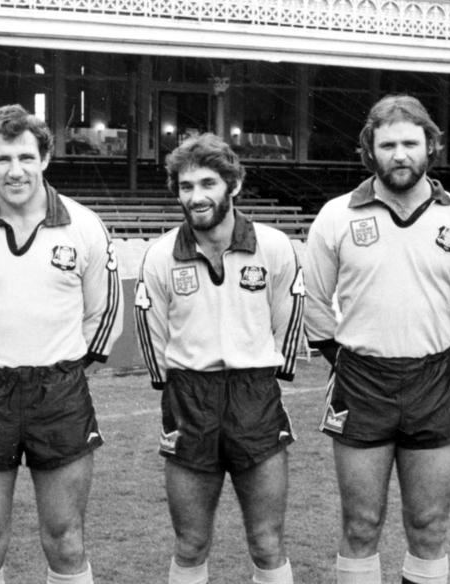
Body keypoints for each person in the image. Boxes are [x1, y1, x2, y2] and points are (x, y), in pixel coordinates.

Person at [0, 103, 122, 584]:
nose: (15, 171)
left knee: (66, 539)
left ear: (45, 159)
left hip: (59, 392)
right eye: (2, 159)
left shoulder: (83, 226)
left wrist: (66, 370)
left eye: (25, 157)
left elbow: (103, 316)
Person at [303, 94, 450, 584]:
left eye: (410, 142)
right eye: (387, 144)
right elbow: (314, 300)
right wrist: (340, 358)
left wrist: (444, 347)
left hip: (433, 380)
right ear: (370, 150)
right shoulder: (337, 215)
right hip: (362, 380)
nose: (399, 154)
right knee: (361, 524)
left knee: (428, 525)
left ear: (430, 146)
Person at [135, 133, 303, 584]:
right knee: (190, 543)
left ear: (234, 185)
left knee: (267, 542)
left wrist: (261, 364)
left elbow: (286, 321)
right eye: (186, 187)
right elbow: (153, 334)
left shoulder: (273, 247)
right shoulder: (159, 257)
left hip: (255, 396)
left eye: (208, 183)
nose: (197, 196)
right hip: (190, 398)